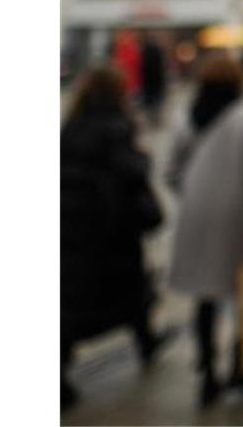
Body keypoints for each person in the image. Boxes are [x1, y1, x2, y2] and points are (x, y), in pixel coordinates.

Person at [164, 54, 243, 408]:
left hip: (197, 217)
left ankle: (206, 375)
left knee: (206, 296)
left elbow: (169, 170)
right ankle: (241, 370)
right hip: (237, 220)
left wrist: (193, 192)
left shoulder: (184, 116)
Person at [61, 66, 172, 410]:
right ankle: (147, 343)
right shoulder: (118, 127)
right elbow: (132, 175)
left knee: (71, 303)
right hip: (112, 233)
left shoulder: (70, 128)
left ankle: (59, 374)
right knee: (130, 290)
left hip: (71, 232)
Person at [140, 33, 168, 129]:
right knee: (156, 104)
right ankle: (156, 121)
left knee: (150, 105)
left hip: (148, 84)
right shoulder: (158, 52)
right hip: (156, 83)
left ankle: (152, 121)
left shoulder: (144, 52)